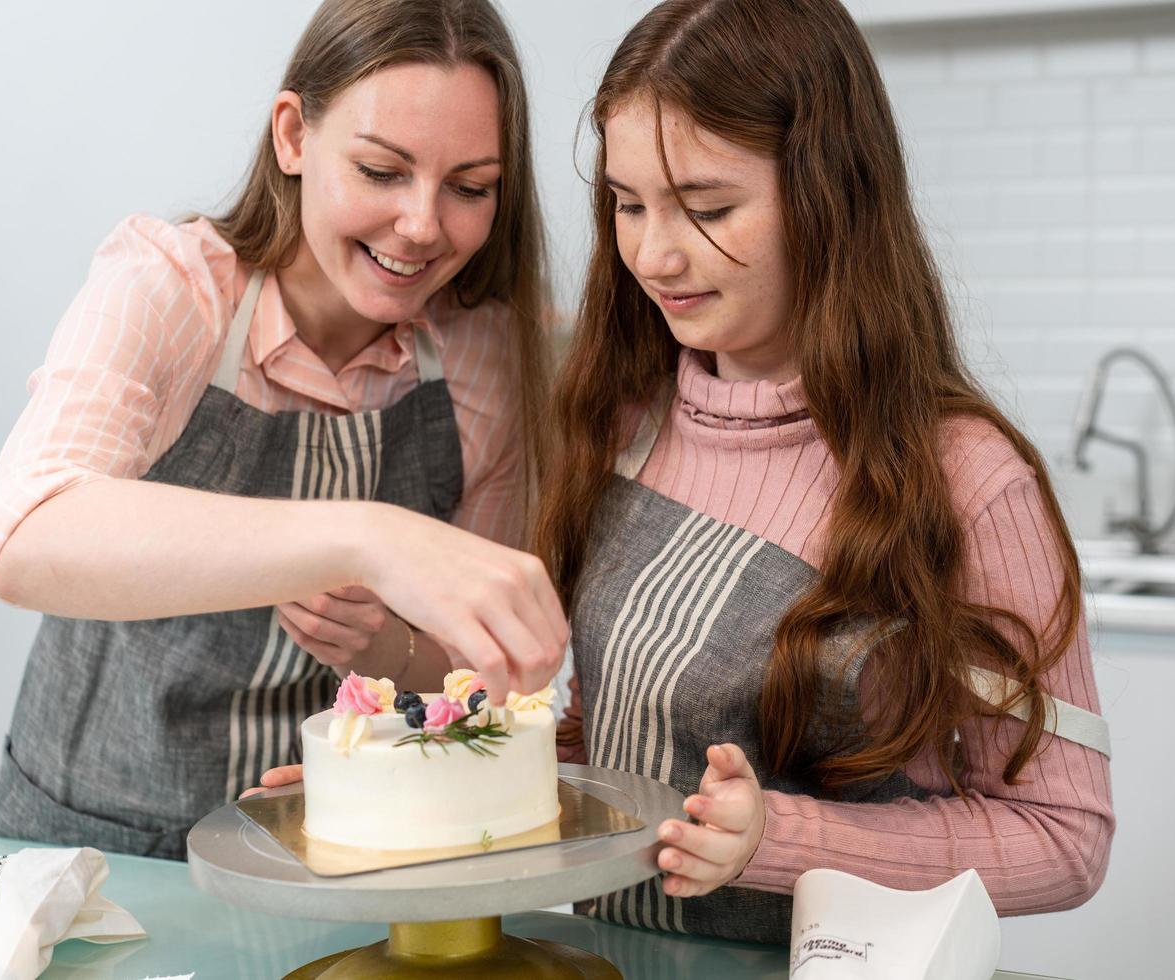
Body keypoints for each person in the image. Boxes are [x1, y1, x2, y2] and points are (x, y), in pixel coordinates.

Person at [254, 0, 1113, 946]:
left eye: (707, 209)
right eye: (627, 205)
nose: (654, 256)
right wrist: (401, 780)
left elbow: (1064, 838)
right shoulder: (624, 423)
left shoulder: (970, 481)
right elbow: (608, 756)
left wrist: (778, 840)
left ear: (829, 194)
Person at [0, 0, 567, 860]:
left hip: (334, 849)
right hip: (96, 844)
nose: (423, 224)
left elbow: (471, 680)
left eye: (469, 187)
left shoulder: (485, 352)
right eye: (382, 170)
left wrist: (385, 643)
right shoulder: (173, 289)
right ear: (292, 135)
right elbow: (19, 536)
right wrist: (364, 537)